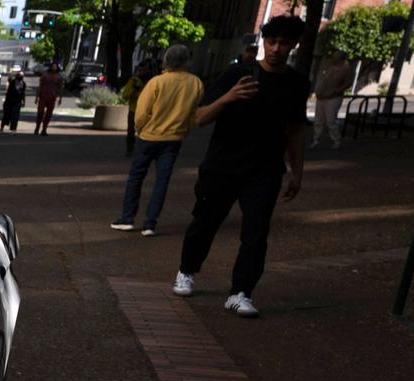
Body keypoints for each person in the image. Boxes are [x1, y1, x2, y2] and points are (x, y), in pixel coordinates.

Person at [172, 14, 309, 318]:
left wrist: (297, 172)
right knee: (204, 224)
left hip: (265, 170)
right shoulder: (237, 74)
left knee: (256, 233)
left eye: (283, 43)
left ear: (294, 45)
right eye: (271, 42)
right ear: (263, 42)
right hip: (222, 165)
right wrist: (229, 97)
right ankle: (187, 270)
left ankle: (241, 292)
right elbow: (199, 117)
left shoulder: (297, 84)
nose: (276, 49)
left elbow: (297, 130)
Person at [110, 45, 204, 237]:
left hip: (149, 137)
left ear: (167, 60)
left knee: (136, 178)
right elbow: (194, 114)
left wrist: (140, 129)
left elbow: (142, 113)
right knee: (162, 181)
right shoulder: (196, 84)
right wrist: (184, 131)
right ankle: (150, 223)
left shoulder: (156, 82)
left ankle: (128, 218)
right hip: (174, 138)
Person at [120, 57, 160, 154]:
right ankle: (130, 149)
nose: (142, 71)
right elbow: (125, 96)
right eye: (141, 69)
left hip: (148, 112)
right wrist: (135, 90)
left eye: (145, 69)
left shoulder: (154, 82)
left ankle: (143, 150)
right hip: (134, 111)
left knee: (145, 132)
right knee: (131, 132)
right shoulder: (134, 81)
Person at [312, 55, 353, 148]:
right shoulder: (328, 66)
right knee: (318, 119)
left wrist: (336, 91)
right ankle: (316, 139)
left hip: (333, 97)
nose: (333, 59)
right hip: (321, 96)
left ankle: (336, 140)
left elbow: (347, 83)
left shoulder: (346, 69)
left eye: (335, 57)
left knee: (331, 120)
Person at [34, 64, 63, 134]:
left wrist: (60, 98)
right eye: (53, 66)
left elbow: (60, 88)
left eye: (55, 67)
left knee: (49, 114)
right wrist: (37, 97)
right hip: (43, 96)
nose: (54, 68)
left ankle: (44, 129)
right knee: (40, 113)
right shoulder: (45, 75)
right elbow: (40, 86)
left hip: (52, 97)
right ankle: (37, 127)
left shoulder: (59, 76)